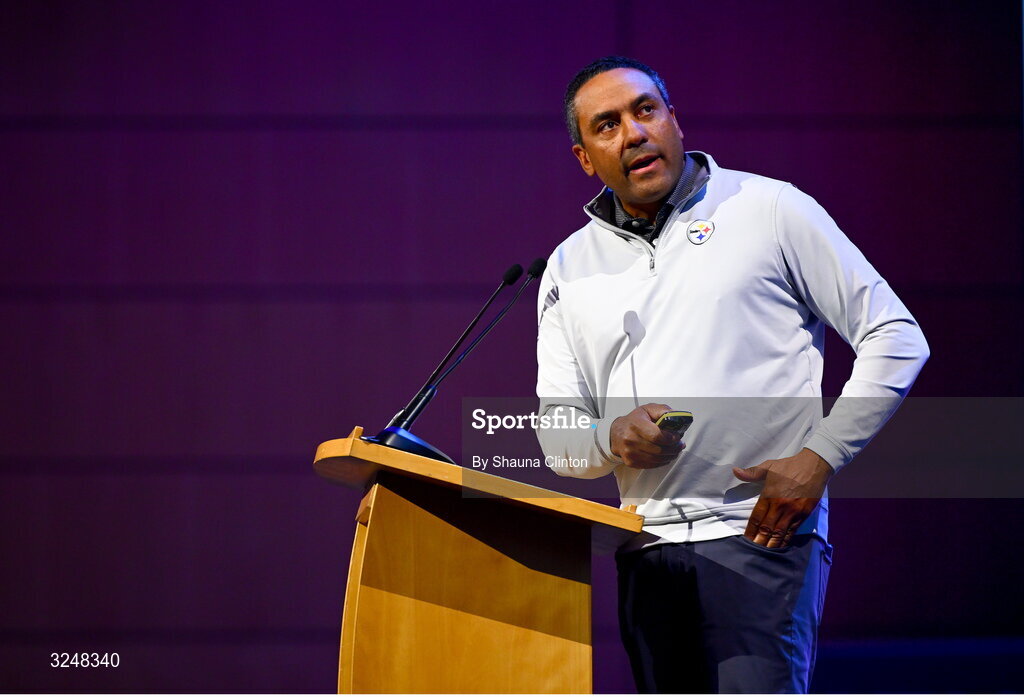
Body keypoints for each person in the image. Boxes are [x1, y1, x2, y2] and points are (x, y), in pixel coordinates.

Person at [534, 56, 929, 693]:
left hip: (762, 533)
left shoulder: (769, 209)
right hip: (645, 549)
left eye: (645, 110)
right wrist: (611, 437)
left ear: (674, 120)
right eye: (607, 125)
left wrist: (820, 457)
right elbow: (558, 437)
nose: (634, 133)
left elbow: (896, 336)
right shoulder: (567, 268)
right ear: (585, 157)